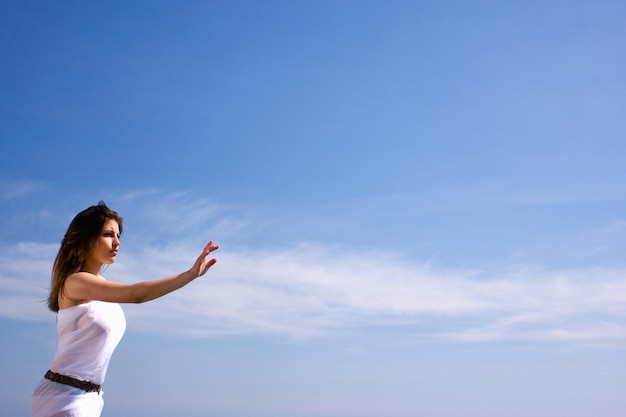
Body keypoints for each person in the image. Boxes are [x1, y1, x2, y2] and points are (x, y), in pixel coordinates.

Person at [31, 201, 219, 417]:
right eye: (108, 234)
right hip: (64, 397)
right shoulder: (75, 282)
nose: (117, 242)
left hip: (90, 397)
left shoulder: (98, 288)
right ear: (86, 238)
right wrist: (189, 275)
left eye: (119, 235)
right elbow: (135, 295)